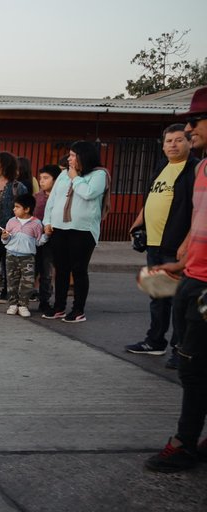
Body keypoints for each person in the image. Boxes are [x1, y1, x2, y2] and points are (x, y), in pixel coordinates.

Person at [144, 86, 207, 472]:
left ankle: (184, 443)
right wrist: (181, 262)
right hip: (192, 278)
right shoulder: (202, 169)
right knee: (193, 362)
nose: (188, 128)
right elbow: (198, 223)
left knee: (193, 365)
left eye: (196, 121)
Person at [125, 124, 198, 369]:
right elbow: (151, 198)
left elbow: (199, 209)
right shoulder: (162, 166)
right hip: (154, 243)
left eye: (179, 140)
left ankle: (181, 349)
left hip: (176, 245)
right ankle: (155, 341)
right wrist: (138, 222)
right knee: (158, 296)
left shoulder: (195, 169)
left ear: (190, 143)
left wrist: (187, 242)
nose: (173, 145)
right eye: (169, 141)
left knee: (179, 300)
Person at [42, 142, 108, 323]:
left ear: (83, 156)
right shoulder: (64, 174)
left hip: (83, 230)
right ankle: (59, 307)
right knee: (61, 269)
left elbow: (88, 193)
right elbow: (52, 199)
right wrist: (47, 221)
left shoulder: (99, 174)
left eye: (72, 155)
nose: (69, 159)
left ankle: (78, 310)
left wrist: (75, 178)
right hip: (59, 228)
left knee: (78, 270)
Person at [0, 152, 28, 303]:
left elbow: (25, 209)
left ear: (4, 166)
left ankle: (6, 292)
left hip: (9, 229)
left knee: (7, 261)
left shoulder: (18, 187)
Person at [0, 193, 46, 317]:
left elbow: (38, 241)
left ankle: (23, 305)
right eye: (14, 206)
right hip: (11, 255)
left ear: (27, 209)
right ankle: (13, 304)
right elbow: (6, 240)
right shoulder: (11, 221)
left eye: (17, 207)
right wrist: (4, 237)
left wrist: (46, 236)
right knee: (12, 281)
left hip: (27, 257)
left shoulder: (36, 223)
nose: (14, 209)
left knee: (27, 282)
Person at [33, 165, 61, 314]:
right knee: (32, 270)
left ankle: (44, 301)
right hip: (35, 239)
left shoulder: (60, 198)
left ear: (55, 180)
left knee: (46, 272)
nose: (42, 181)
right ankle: (23, 299)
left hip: (52, 240)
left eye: (46, 178)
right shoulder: (37, 197)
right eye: (40, 178)